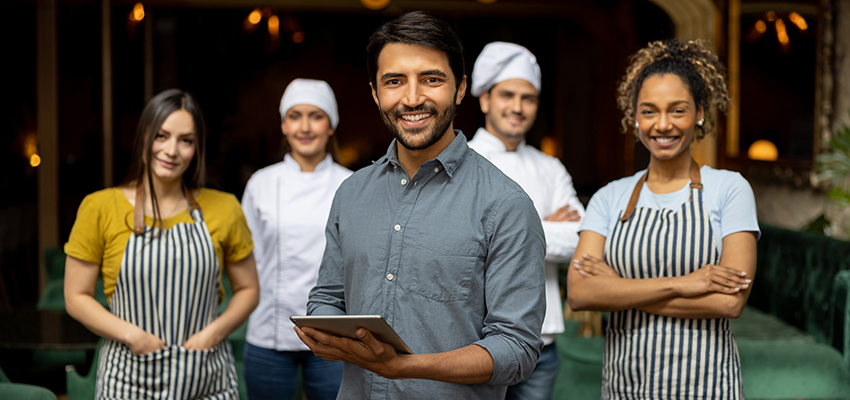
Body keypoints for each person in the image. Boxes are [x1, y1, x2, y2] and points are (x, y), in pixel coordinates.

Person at [294, 11, 546, 400]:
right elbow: (327, 298)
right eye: (394, 81)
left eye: (432, 79)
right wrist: (325, 331)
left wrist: (402, 367)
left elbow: (516, 349)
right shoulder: (351, 193)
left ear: (460, 88)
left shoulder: (506, 204)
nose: (412, 98)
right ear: (376, 93)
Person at [567, 39, 759, 400]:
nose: (663, 125)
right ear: (634, 117)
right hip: (627, 386)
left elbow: (728, 302)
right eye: (649, 111)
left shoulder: (730, 189)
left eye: (678, 110)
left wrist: (619, 288)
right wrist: (685, 283)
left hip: (708, 386)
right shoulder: (610, 197)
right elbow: (580, 293)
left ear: (700, 112)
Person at [64, 89, 259, 399]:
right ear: (143, 137)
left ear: (197, 148)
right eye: (161, 136)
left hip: (205, 375)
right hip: (127, 377)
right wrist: (131, 334)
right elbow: (75, 296)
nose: (172, 150)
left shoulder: (225, 207)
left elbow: (249, 290)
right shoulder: (99, 207)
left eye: (186, 140)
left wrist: (213, 334)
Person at [467, 41, 584, 400]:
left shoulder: (550, 168)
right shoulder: (461, 162)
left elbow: (582, 238)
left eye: (528, 98)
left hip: (540, 342)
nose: (517, 107)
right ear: (485, 99)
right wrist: (543, 227)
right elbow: (459, 242)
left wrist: (500, 235)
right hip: (472, 341)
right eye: (507, 95)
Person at [241, 78, 352, 400]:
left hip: (335, 332)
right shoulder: (261, 183)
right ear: (283, 125)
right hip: (268, 330)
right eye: (295, 116)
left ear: (331, 125)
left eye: (316, 116)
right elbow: (249, 258)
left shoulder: (352, 184)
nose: (305, 127)